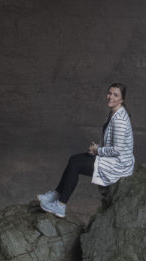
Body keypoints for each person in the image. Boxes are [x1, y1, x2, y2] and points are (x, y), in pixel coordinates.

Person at [38, 82, 135, 218]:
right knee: (73, 159)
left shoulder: (120, 120)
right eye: (109, 93)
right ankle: (57, 194)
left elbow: (118, 150)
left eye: (115, 95)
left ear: (122, 99)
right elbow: (110, 142)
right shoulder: (113, 112)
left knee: (76, 165)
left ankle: (60, 206)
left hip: (118, 164)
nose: (110, 97)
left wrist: (98, 150)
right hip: (111, 157)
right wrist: (96, 149)